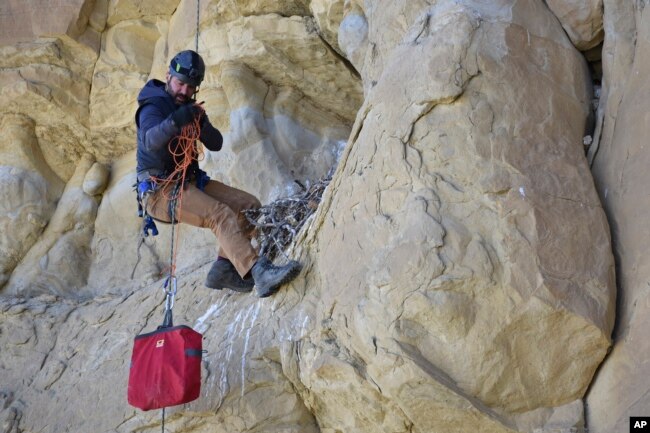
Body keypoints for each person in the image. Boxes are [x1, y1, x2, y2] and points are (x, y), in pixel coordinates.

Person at [135, 50, 301, 298]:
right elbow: (149, 141)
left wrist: (200, 124)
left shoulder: (189, 108)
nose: (184, 91)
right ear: (168, 76)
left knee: (248, 206)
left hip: (188, 182)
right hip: (160, 192)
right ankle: (259, 271)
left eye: (190, 87)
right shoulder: (153, 106)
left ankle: (224, 268)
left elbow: (216, 143)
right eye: (180, 84)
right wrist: (175, 121)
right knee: (219, 214)